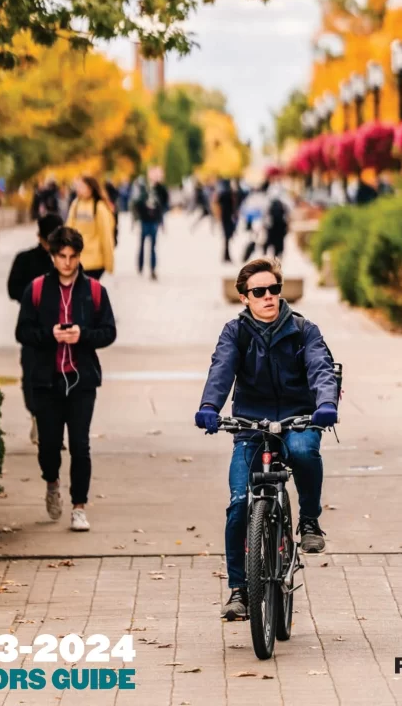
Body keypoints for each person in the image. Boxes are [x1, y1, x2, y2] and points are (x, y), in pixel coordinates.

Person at [195, 256, 339, 621]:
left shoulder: (304, 329)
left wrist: (325, 405)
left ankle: (308, 521)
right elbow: (221, 368)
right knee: (238, 502)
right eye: (259, 292)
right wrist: (210, 406)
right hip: (251, 421)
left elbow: (321, 368)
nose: (269, 297)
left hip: (299, 416)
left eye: (274, 289)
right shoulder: (235, 332)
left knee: (304, 450)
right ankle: (239, 590)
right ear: (244, 297)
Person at [15, 225, 117, 532]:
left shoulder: (95, 290)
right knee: (48, 445)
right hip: (46, 380)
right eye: (62, 256)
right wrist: (51, 335)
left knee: (80, 445)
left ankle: (79, 506)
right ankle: (52, 482)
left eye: (73, 256)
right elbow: (22, 332)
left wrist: (82, 335)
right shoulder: (35, 289)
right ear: (52, 255)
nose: (68, 262)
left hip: (82, 379)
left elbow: (109, 332)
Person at [7, 212, 64, 444]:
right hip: (33, 329)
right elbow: (13, 289)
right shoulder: (26, 260)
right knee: (32, 376)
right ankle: (38, 419)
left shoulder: (68, 261)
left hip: (62, 329)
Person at [66, 176, 115, 280]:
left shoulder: (99, 207)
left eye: (81, 186)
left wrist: (109, 262)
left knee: (88, 294)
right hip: (78, 261)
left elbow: (106, 237)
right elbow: (67, 231)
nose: (78, 189)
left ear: (90, 188)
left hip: (94, 263)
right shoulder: (76, 205)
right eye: (78, 186)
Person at [130, 166, 169, 279]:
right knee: (142, 244)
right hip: (144, 220)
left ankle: (152, 269)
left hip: (154, 221)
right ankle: (140, 266)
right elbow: (136, 202)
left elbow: (165, 201)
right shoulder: (143, 187)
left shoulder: (160, 189)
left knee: (153, 246)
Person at [216, 178, 237, 263]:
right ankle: (226, 255)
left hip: (225, 217)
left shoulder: (223, 194)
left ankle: (226, 255)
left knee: (227, 237)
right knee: (227, 237)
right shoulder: (229, 194)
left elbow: (217, 205)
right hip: (228, 218)